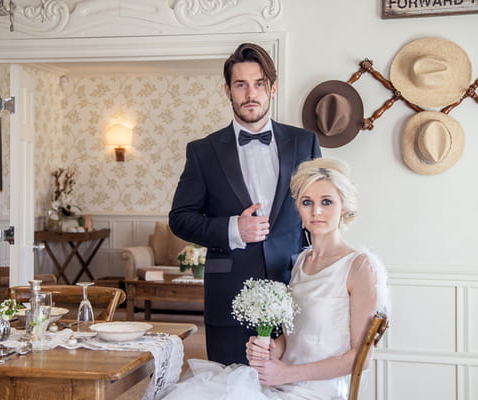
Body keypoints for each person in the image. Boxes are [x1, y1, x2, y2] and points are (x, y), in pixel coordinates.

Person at [162, 158, 390, 400]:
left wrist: (286, 373)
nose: (316, 211)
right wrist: (272, 349)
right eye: (307, 202)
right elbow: (295, 333)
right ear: (298, 209)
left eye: (327, 202)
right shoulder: (302, 262)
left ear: (344, 206)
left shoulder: (360, 266)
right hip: (281, 383)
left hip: (318, 391)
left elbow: (361, 358)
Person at [169, 42, 321, 365]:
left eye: (259, 84)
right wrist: (232, 228)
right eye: (241, 85)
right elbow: (180, 218)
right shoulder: (203, 151)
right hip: (229, 298)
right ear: (228, 91)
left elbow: (319, 216)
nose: (250, 94)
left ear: (273, 88)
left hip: (295, 294)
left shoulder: (305, 143)